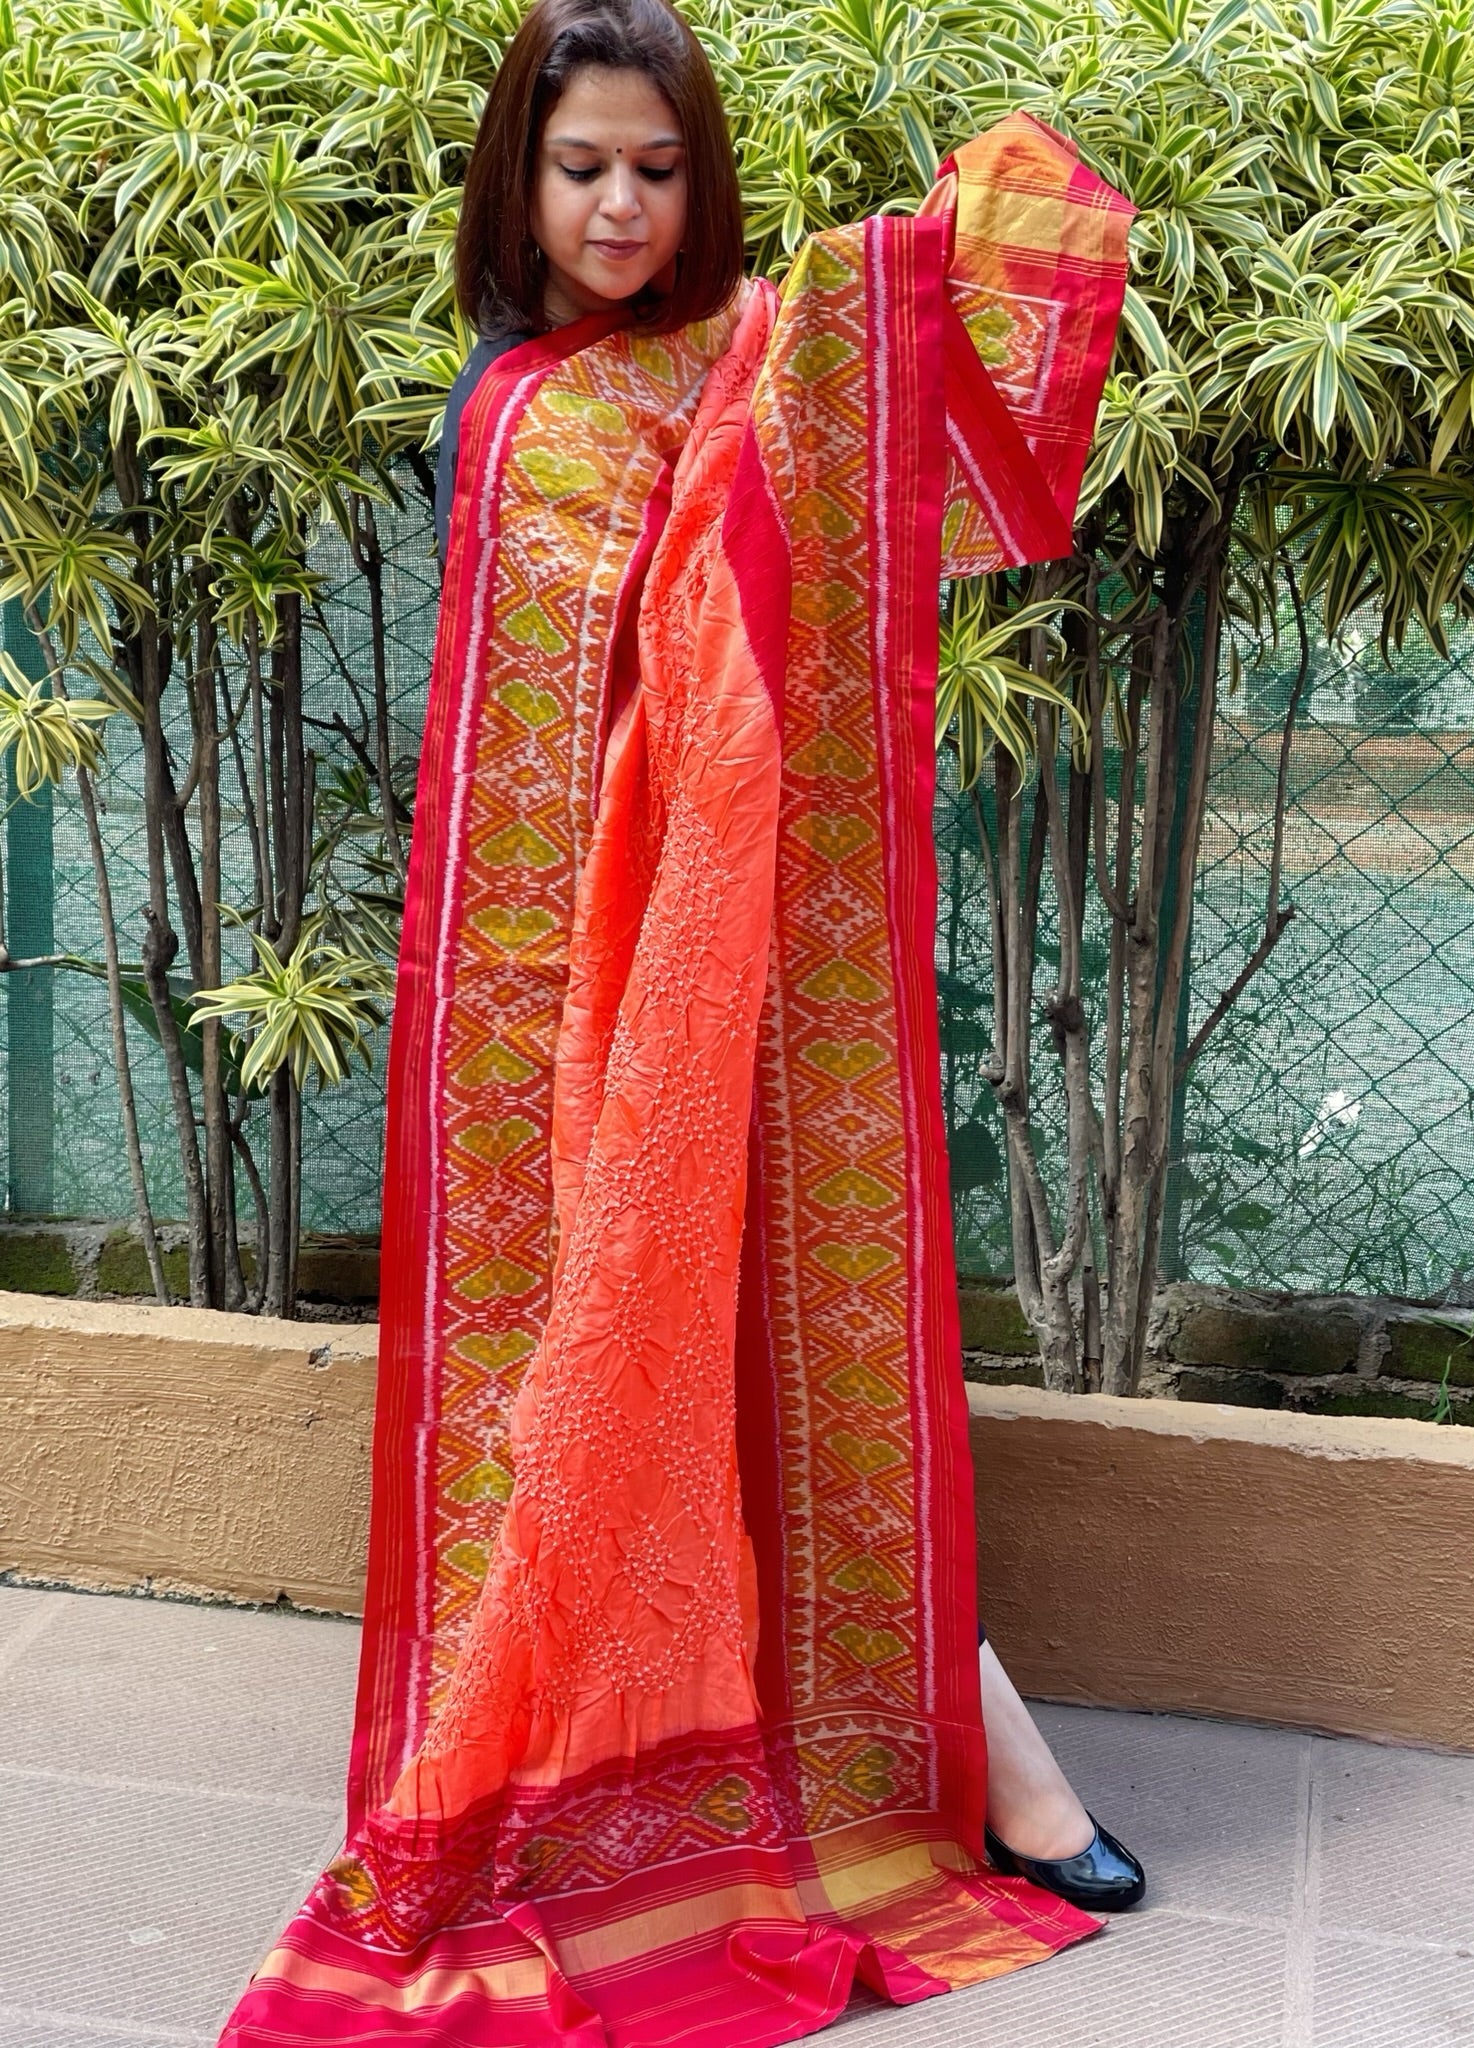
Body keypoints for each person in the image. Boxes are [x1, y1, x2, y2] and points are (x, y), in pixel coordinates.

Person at [220, 4, 1140, 2042]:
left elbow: (889, 523)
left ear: (696, 180)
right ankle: (580, 1779)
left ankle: (981, 1765)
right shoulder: (503, 405)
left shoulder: (746, 371)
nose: (621, 203)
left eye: (655, 168)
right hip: (538, 990)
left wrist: (938, 263)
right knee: (574, 1380)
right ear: (515, 183)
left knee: (767, 1351)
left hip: (731, 955)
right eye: (580, 169)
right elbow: (509, 735)